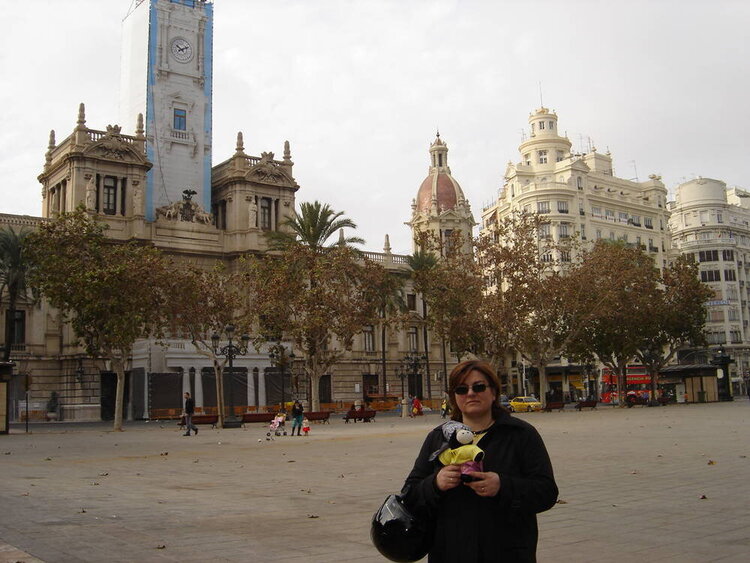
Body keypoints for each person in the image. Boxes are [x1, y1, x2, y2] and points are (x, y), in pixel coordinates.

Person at [401, 360, 558, 562]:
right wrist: (435, 483)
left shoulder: (521, 434)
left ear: (493, 392)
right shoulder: (438, 438)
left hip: (506, 553)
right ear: (454, 397)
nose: (470, 393)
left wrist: (503, 485)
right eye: (461, 389)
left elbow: (547, 492)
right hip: (450, 552)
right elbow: (410, 494)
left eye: (479, 387)